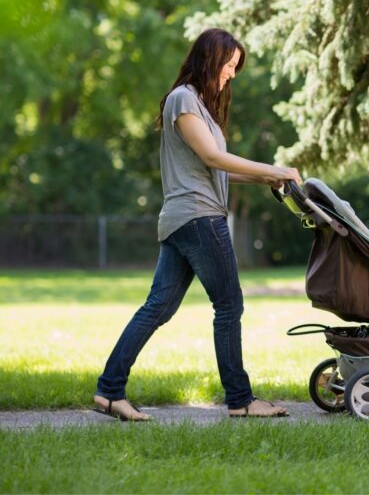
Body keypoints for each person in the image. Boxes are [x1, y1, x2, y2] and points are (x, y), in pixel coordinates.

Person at [93, 28, 301, 421]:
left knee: (158, 308)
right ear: (210, 58)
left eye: (236, 67)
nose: (231, 74)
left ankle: (109, 391)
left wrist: (266, 178)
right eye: (229, 65)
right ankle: (240, 400)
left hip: (182, 220)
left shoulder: (199, 107)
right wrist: (274, 168)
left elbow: (216, 169)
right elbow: (213, 158)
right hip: (199, 218)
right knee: (229, 304)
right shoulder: (183, 99)